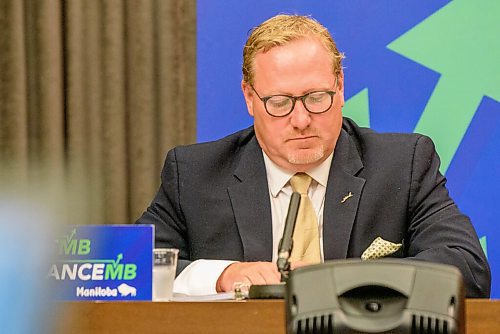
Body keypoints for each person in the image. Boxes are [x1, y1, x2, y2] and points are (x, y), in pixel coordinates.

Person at [136, 14, 491, 297]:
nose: (301, 120)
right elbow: (127, 269)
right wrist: (224, 275)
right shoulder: (196, 174)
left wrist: (339, 279)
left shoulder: (402, 164)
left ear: (340, 87)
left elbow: (468, 270)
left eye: (317, 97)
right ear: (249, 97)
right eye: (279, 103)